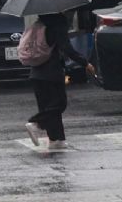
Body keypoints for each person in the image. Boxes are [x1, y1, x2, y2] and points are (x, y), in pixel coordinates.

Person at [24, 13, 97, 150]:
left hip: (36, 72)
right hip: (51, 72)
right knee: (59, 104)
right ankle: (36, 123)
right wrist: (85, 63)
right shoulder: (57, 24)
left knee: (47, 107)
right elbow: (67, 48)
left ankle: (56, 139)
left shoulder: (38, 24)